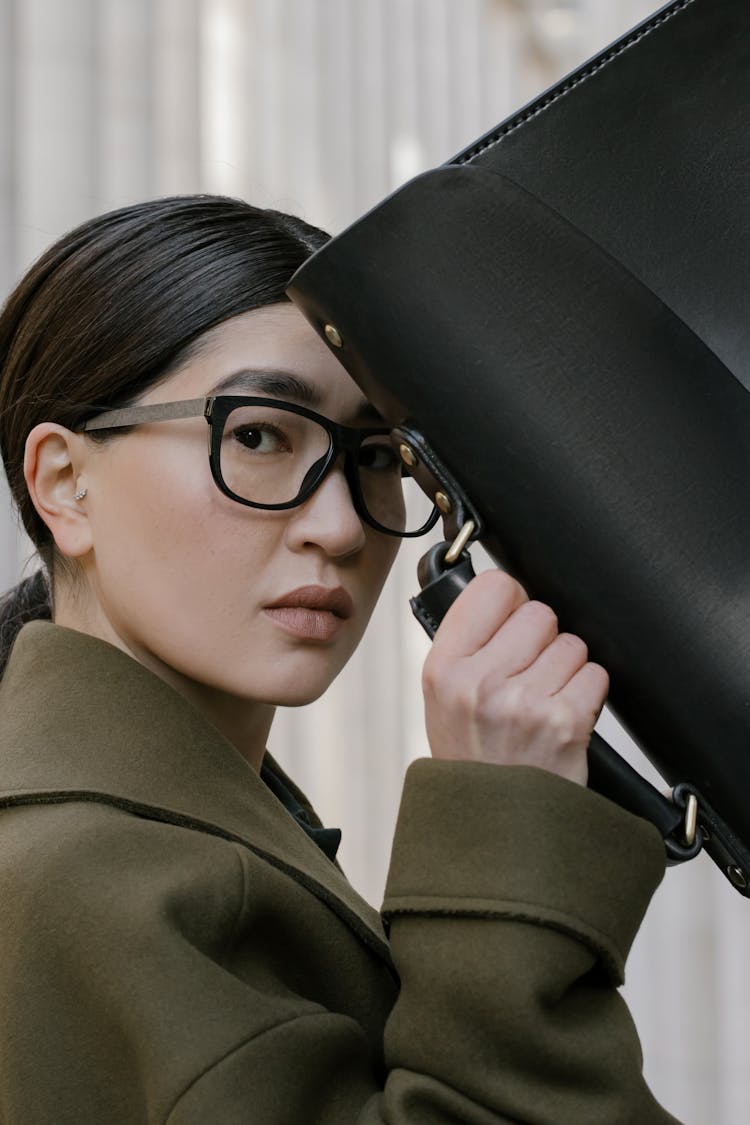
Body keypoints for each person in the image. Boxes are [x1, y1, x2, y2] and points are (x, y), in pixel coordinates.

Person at [0, 195, 678, 1124]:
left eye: (376, 456)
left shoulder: (169, 839)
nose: (337, 525)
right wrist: (503, 842)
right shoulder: (84, 879)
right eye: (258, 435)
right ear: (65, 484)